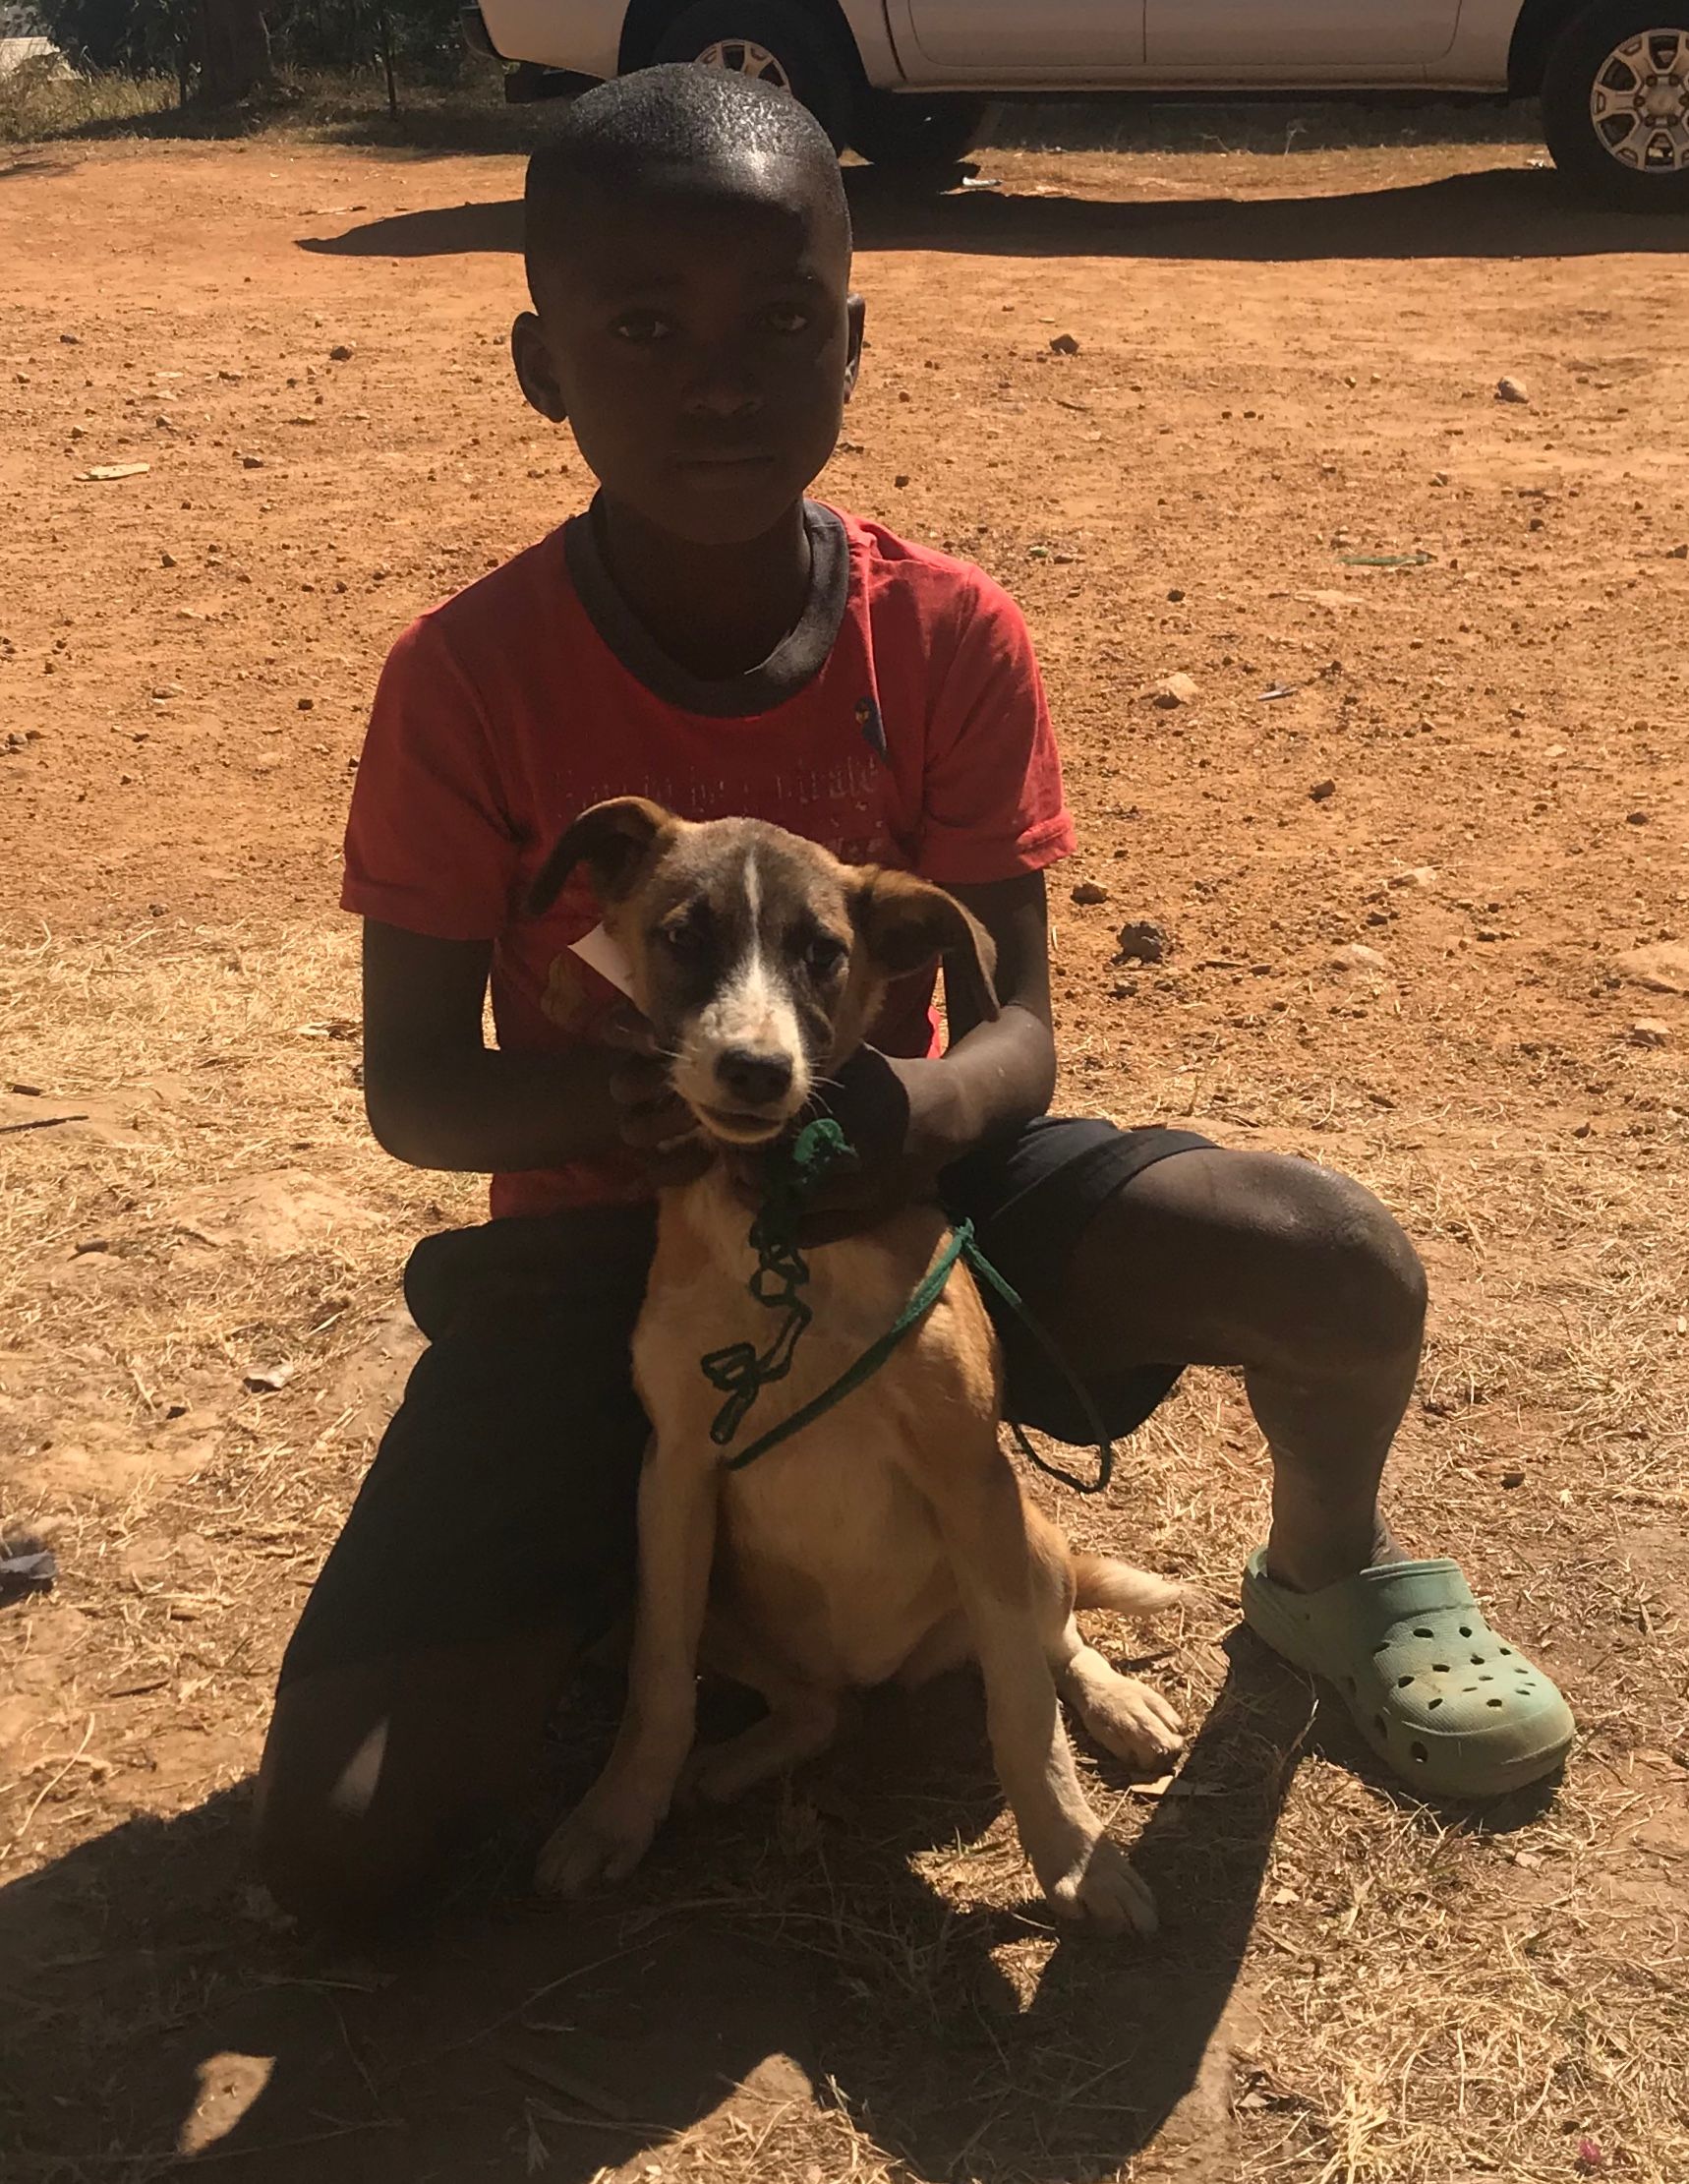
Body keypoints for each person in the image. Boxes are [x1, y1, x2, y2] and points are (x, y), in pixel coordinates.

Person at [253, 66, 1572, 1928]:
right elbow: (414, 1092)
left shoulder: (942, 631)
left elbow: (1018, 1024)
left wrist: (904, 1117)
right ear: (542, 363)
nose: (718, 378)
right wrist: (643, 1106)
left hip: (907, 1201)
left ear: (850, 346)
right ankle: (637, 1594)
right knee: (338, 1844)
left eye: (778, 323)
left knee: (1326, 1255)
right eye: (642, 326)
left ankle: (1327, 1571)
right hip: (594, 1262)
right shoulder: (463, 678)